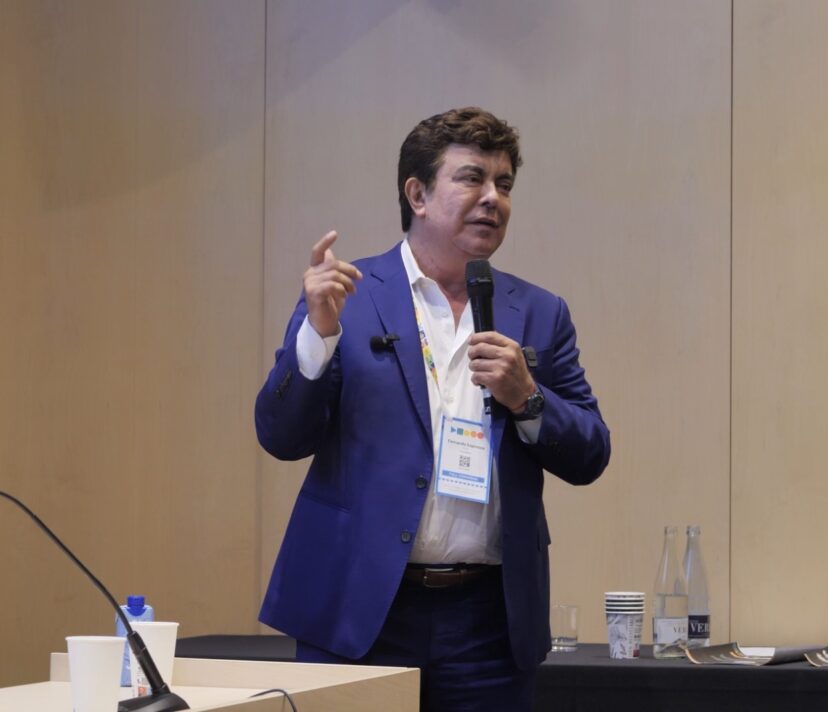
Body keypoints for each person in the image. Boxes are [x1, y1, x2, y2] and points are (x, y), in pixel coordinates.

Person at [256, 106, 610, 711]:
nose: (493, 198)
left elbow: (591, 452)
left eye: (504, 184)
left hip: (488, 623)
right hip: (359, 606)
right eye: (472, 178)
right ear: (417, 194)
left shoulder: (539, 312)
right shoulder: (345, 296)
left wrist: (528, 398)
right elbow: (280, 435)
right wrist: (316, 338)